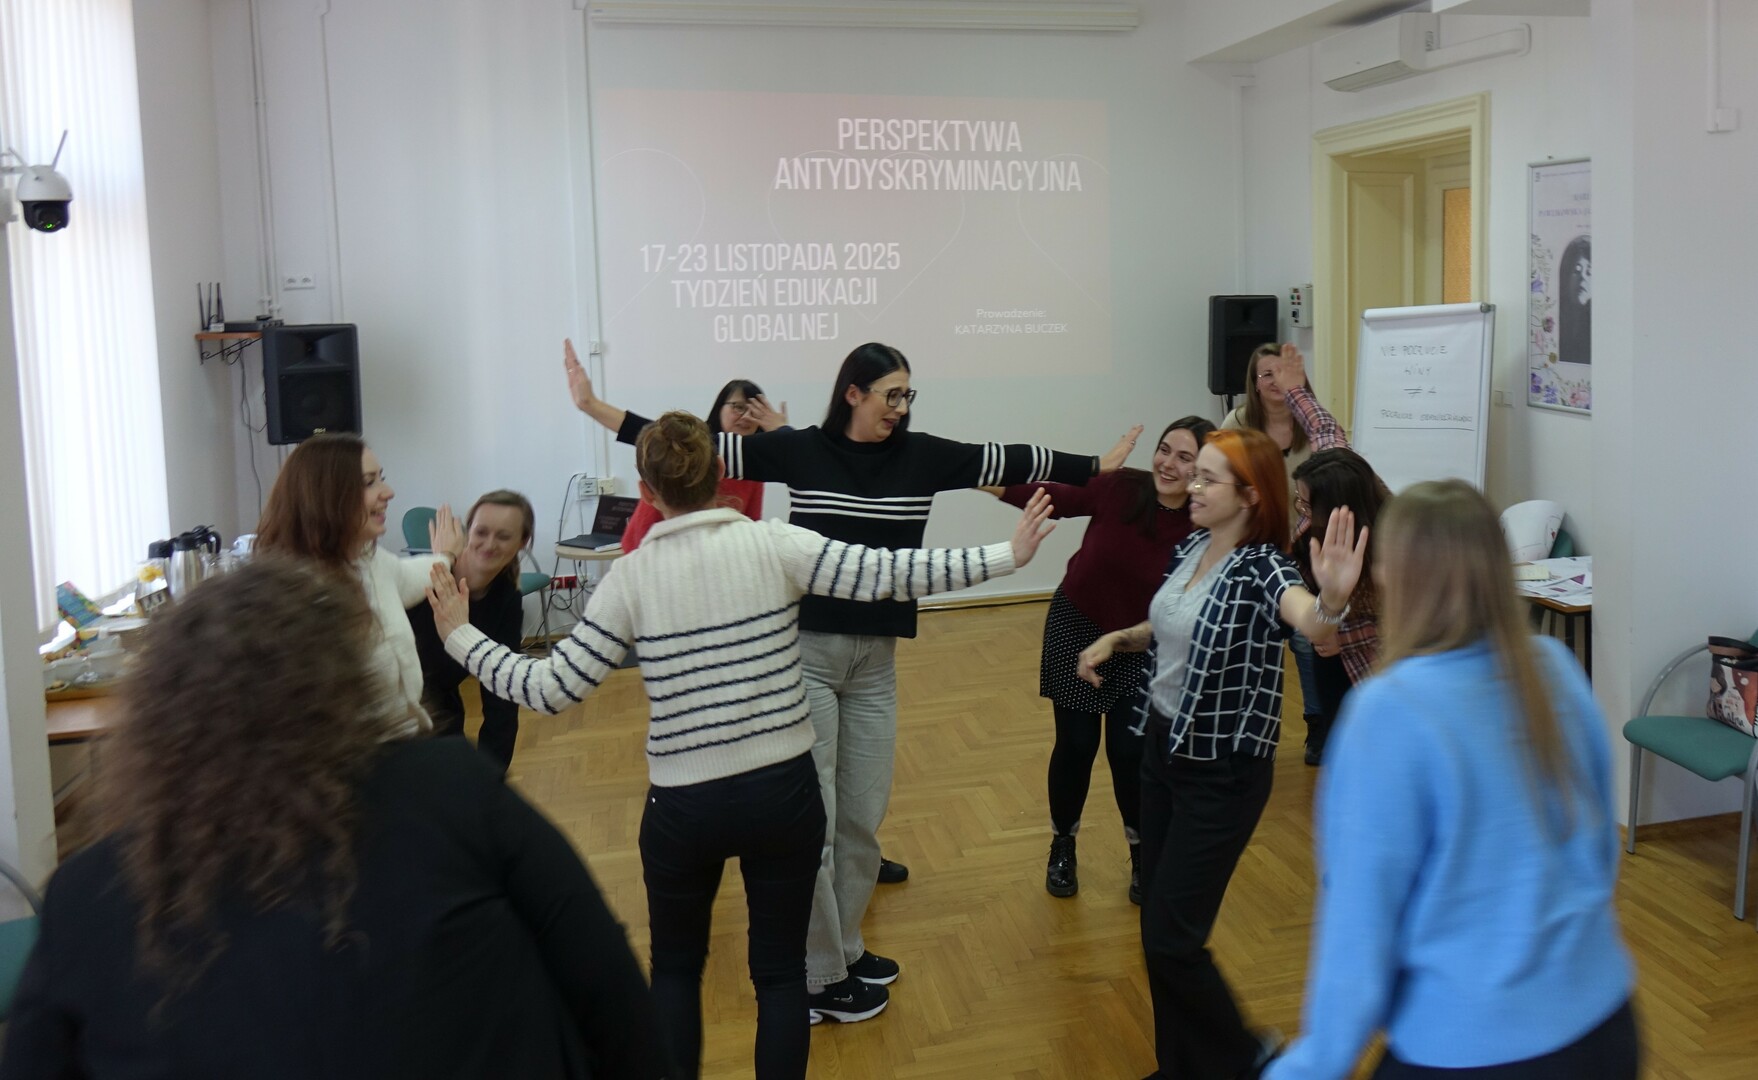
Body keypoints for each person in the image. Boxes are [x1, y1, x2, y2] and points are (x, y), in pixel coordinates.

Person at [428, 411, 1058, 1078]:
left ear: (646, 493)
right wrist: (1008, 556)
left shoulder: (630, 578)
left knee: (676, 972)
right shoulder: (775, 544)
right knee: (781, 976)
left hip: (682, 809)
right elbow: (891, 572)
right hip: (783, 796)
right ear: (722, 475)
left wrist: (459, 635)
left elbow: (550, 688)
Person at [565, 340, 1129, 1024]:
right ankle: (819, 976)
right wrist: (594, 406)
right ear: (853, 393)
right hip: (810, 655)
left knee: (862, 820)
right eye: (891, 394)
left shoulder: (924, 456)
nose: (901, 408)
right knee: (821, 825)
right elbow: (682, 448)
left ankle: (846, 948)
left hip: (876, 660)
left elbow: (1007, 457)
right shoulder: (800, 450)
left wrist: (1093, 465)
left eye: (907, 395)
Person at [0, 560, 666, 1080]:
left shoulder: (87, 899)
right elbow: (608, 989)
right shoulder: (450, 790)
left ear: (159, 718)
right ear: (341, 683)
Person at [1265, 480, 1636, 1080]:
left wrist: (1309, 1066)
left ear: (1394, 578)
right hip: (1603, 1025)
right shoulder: (1554, 668)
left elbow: (1359, 933)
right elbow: (1597, 851)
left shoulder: (1388, 711)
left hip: (1470, 1050)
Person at [1078, 428, 1367, 1080]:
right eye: (1195, 474)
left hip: (1222, 773)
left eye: (1208, 477)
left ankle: (1246, 1059)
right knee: (1157, 929)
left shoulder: (1265, 568)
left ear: (1250, 494)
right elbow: (1172, 621)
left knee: (1172, 939)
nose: (1192, 485)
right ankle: (1179, 1067)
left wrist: (1333, 599)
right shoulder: (1192, 547)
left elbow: (1311, 620)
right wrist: (1119, 638)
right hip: (1162, 751)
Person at [986, 416, 1215, 903]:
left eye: (1184, 457)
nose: (1167, 463)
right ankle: (1062, 844)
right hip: (1077, 622)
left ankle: (1142, 852)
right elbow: (1051, 495)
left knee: (1131, 754)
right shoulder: (1122, 487)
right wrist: (975, 473)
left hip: (1145, 645)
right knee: (1075, 746)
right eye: (1164, 449)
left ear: (1204, 470)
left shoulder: (1205, 527)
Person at [255, 432, 463, 736]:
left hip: (404, 738)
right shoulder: (297, 593)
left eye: (381, 479)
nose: (388, 492)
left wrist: (446, 556)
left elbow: (408, 576)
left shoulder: (368, 558)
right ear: (326, 496)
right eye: (369, 482)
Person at [1223, 344, 1350, 773]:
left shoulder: (1314, 429)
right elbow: (1222, 482)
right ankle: (1245, 731)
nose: (1275, 381)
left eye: (1282, 372)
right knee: (1251, 639)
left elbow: (1333, 473)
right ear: (1254, 385)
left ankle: (1317, 725)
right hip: (1254, 550)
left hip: (1307, 554)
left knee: (1308, 640)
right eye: (1266, 374)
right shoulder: (1237, 423)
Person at [564, 342, 793, 552]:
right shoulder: (694, 446)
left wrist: (782, 438)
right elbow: (642, 430)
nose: (746, 416)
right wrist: (590, 404)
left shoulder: (754, 468)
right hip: (649, 549)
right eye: (738, 407)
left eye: (755, 410)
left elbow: (750, 525)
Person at [409, 489, 536, 773]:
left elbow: (502, 697)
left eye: (503, 536)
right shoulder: (423, 577)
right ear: (468, 533)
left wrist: (490, 777)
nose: (489, 544)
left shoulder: (506, 599)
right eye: (481, 532)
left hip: (439, 712)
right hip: (387, 713)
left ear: (522, 542)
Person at [1290, 449, 1390, 765]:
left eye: (1308, 505)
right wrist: (1323, 623)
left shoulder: (1395, 544)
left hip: (1382, 672)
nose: (1302, 513)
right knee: (1342, 750)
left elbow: (1408, 627)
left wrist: (1343, 636)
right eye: (1299, 501)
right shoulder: (1308, 537)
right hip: (1333, 663)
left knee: (1379, 756)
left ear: (1339, 508)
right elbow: (1305, 598)